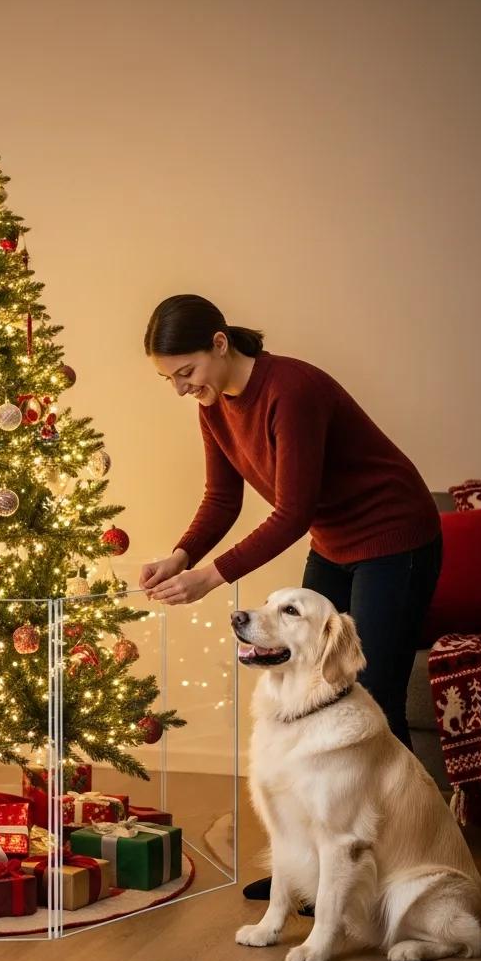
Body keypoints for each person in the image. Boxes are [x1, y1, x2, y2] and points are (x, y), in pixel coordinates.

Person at [141, 293, 443, 903]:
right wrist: (182, 555)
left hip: (393, 537)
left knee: (371, 697)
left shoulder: (292, 391)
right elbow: (223, 499)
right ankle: (322, 872)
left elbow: (292, 510)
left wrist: (214, 576)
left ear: (220, 344)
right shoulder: (215, 406)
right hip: (335, 542)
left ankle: (407, 863)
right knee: (310, 691)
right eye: (167, 378)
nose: (179, 388)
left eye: (185, 372)